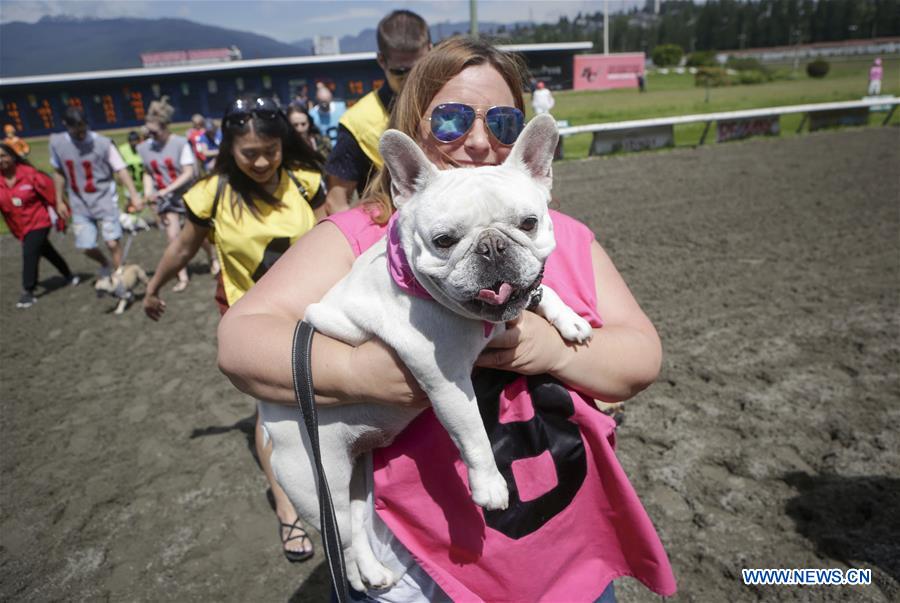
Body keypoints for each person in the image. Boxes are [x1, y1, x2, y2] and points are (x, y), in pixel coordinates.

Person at [217, 37, 677, 602]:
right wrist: (365, 372)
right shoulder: (365, 235)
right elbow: (240, 340)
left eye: (505, 121)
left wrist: (551, 350)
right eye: (452, 119)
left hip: (566, 548)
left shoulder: (564, 237)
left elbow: (641, 357)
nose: (480, 140)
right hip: (422, 567)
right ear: (411, 128)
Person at [143, 95, 327, 564]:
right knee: (274, 413)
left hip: (316, 317)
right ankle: (287, 510)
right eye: (250, 153)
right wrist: (154, 286)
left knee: (324, 408)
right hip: (254, 323)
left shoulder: (307, 183)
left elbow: (337, 239)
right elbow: (183, 250)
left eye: (271, 150)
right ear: (230, 148)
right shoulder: (211, 194)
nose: (262, 161)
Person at [323, 9, 431, 215]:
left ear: (431, 51)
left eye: (420, 68)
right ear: (382, 60)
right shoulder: (358, 122)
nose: (411, 79)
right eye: (400, 72)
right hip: (391, 236)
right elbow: (336, 203)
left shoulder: (454, 102)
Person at [49, 106, 142, 276]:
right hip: (79, 203)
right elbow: (58, 172)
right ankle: (105, 263)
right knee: (86, 247)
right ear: (66, 125)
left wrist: (134, 195)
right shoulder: (57, 143)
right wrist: (59, 200)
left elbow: (121, 169)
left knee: (112, 242)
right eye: (75, 127)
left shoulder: (103, 143)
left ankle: (119, 276)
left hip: (105, 199)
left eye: (83, 126)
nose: (80, 131)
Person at [138, 96, 217, 291]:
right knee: (172, 236)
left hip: (187, 196)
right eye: (149, 132)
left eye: (155, 132)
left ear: (165, 127)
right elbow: (148, 172)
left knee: (200, 236)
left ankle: (212, 258)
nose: (152, 136)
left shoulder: (181, 144)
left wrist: (166, 189)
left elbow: (188, 172)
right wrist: (149, 192)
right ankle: (181, 275)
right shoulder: (145, 148)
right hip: (166, 200)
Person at [0, 143, 79, 308]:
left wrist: (62, 215)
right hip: (19, 227)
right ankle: (68, 275)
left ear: (12, 156)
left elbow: (52, 195)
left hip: (39, 221)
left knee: (29, 252)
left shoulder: (31, 175)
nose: (1, 160)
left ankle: (28, 290)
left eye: (3, 155)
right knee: (46, 250)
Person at [309, 83, 347, 150]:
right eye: (322, 102)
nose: (324, 105)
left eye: (326, 102)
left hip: (341, 146)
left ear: (331, 99)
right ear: (317, 100)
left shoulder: (341, 108)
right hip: (324, 149)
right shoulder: (312, 115)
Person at [117, 131, 145, 195]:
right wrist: (120, 178)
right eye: (132, 141)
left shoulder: (144, 149)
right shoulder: (123, 150)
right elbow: (119, 167)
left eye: (135, 141)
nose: (134, 144)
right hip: (131, 185)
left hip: (145, 184)